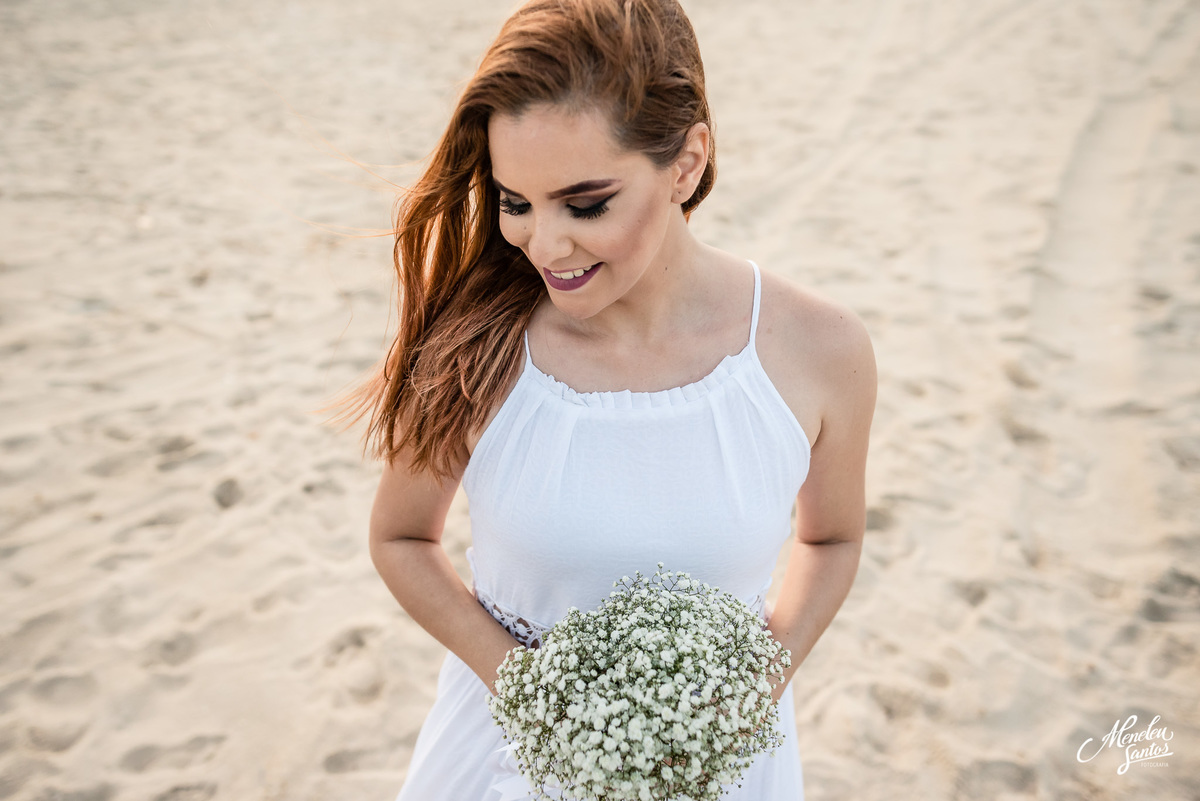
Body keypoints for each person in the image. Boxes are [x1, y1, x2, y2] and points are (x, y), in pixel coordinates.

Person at [337, 0, 876, 797]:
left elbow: (831, 541)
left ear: (686, 164)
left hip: (718, 771)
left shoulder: (819, 350)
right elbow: (400, 539)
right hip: (503, 764)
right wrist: (530, 692)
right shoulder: (480, 346)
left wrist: (758, 684)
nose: (544, 247)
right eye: (515, 202)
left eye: (584, 205)